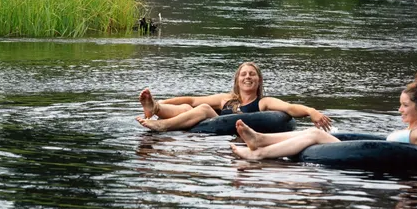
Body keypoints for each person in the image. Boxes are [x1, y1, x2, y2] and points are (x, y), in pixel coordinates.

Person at [230, 73, 417, 169]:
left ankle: (259, 152)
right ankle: (260, 139)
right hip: (374, 150)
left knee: (313, 135)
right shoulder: (414, 128)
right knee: (310, 134)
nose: (399, 110)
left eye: (405, 106)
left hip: (383, 157)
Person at [136, 62, 333, 132]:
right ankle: (156, 109)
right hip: (206, 128)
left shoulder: (263, 102)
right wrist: (161, 102)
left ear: (258, 81)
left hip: (229, 134)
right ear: (237, 80)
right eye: (244, 74)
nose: (248, 77)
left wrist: (311, 111)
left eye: (252, 74)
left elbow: (289, 108)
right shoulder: (227, 99)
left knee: (204, 109)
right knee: (192, 108)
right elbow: (191, 100)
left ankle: (162, 125)